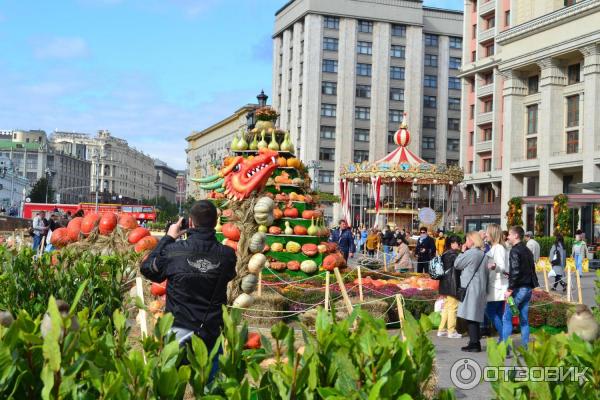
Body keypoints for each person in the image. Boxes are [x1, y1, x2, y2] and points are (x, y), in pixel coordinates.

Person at [141, 200, 236, 378]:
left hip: (178, 331)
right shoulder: (227, 255)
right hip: (210, 332)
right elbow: (229, 275)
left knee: (170, 387)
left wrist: (168, 238)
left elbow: (147, 268)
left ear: (190, 222)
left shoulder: (173, 251)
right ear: (216, 223)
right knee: (211, 392)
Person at [501, 226, 539, 349]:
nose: (508, 237)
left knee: (507, 317)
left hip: (518, 289)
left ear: (516, 236)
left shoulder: (515, 250)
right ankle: (525, 348)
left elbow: (516, 271)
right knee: (524, 320)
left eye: (510, 235)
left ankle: (505, 348)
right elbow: (529, 270)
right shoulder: (527, 250)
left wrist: (509, 290)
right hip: (528, 288)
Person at [454, 231, 490, 352]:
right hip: (479, 287)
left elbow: (457, 264)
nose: (465, 242)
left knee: (470, 316)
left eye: (467, 240)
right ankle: (473, 342)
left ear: (472, 240)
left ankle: (474, 343)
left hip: (470, 288)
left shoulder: (471, 253)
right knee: (473, 315)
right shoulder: (484, 254)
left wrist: (462, 252)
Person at [484, 223, 508, 337]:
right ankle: (503, 342)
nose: (485, 234)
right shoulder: (496, 247)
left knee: (491, 312)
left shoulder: (498, 248)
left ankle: (504, 341)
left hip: (496, 287)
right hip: (497, 286)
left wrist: (494, 267)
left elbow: (502, 267)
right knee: (497, 313)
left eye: (487, 232)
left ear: (492, 233)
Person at [437, 235, 462, 339]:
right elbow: (460, 265)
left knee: (447, 307)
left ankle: (441, 330)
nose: (460, 245)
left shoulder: (445, 253)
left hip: (444, 284)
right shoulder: (453, 254)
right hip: (452, 284)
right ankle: (451, 331)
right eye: (458, 243)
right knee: (453, 308)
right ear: (452, 244)